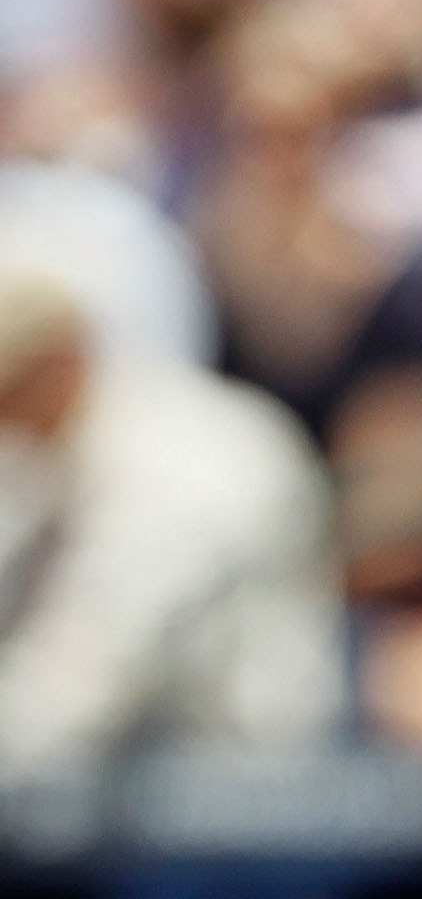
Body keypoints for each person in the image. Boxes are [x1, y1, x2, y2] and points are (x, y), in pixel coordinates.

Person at [0, 268, 343, 780]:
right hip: (141, 787)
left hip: (239, 801)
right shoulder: (73, 442)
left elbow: (80, 681)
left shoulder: (176, 467)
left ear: (57, 365)